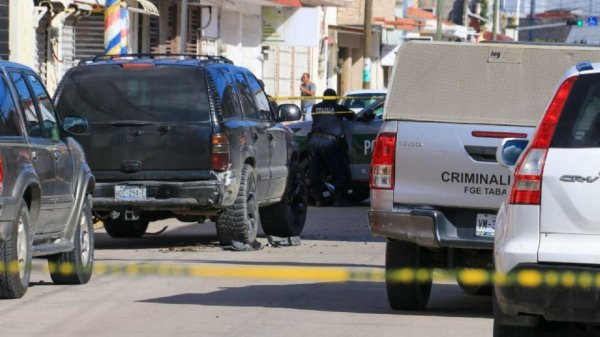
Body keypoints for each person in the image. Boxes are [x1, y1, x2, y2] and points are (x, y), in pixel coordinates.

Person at [307, 88, 354, 207]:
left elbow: (317, 120)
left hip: (313, 141)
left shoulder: (315, 108)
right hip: (329, 142)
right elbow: (352, 116)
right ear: (336, 98)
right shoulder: (339, 108)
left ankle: (319, 199)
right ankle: (337, 195)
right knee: (340, 172)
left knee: (315, 171)